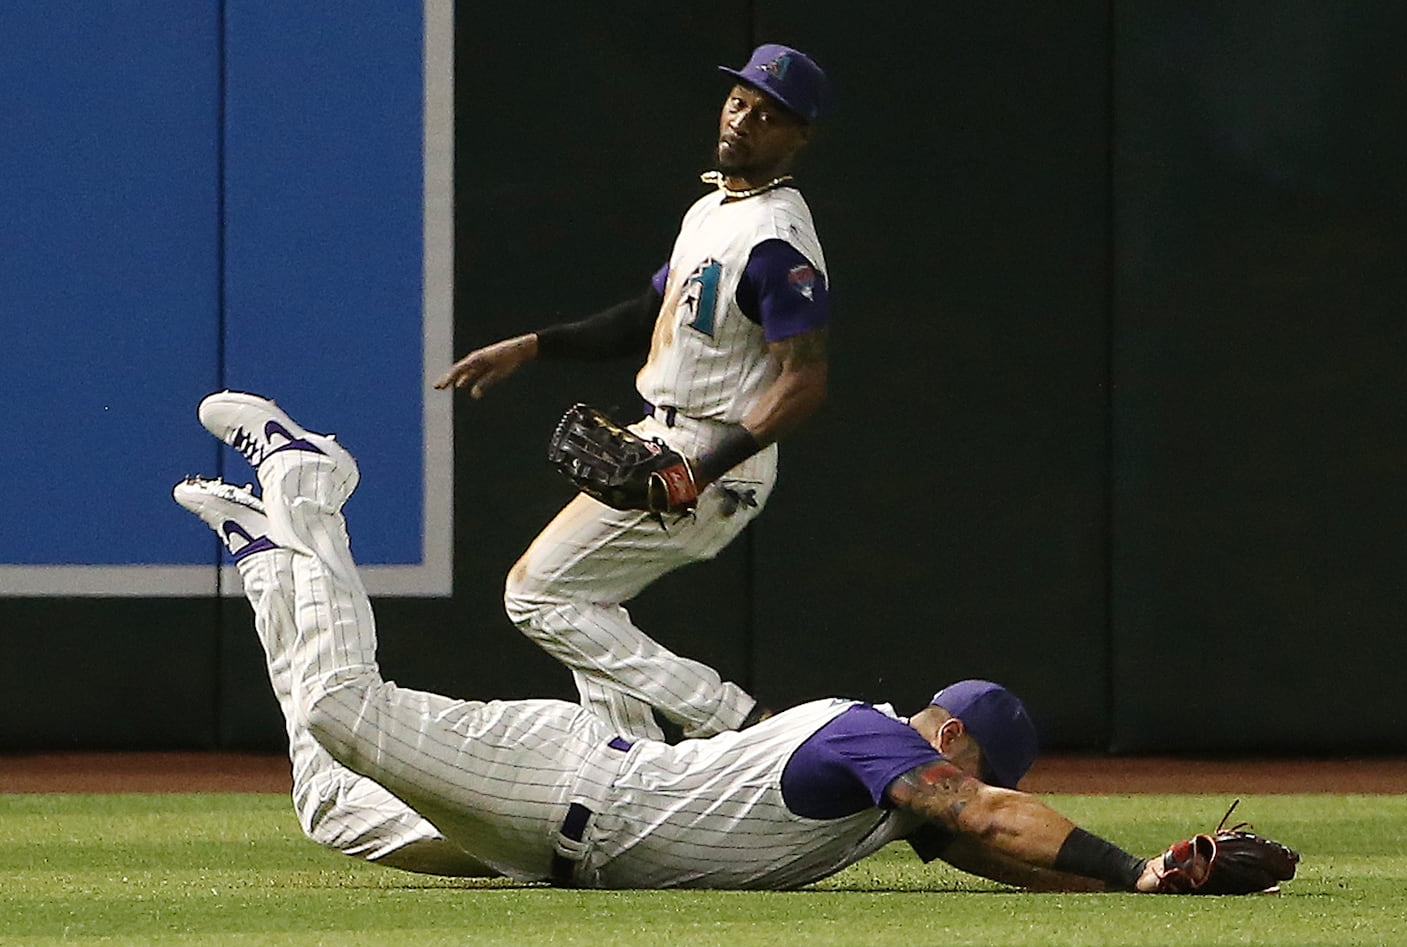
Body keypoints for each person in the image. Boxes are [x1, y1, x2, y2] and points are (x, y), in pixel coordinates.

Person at [180, 391, 1178, 892]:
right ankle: (307, 481)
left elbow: (985, 842)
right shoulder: (870, 738)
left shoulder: (888, 806)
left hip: (559, 842)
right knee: (336, 711)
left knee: (331, 809)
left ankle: (269, 558)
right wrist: (1131, 867)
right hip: (560, 786)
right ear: (950, 739)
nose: (950, 823)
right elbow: (981, 817)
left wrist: (1156, 882)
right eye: (972, 781)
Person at [435, 44, 833, 742]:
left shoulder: (777, 241)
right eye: (739, 101)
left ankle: (742, 725)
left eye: (769, 115)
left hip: (714, 458)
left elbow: (803, 380)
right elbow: (644, 316)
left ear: (798, 137)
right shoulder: (713, 210)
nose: (744, 119)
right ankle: (636, 771)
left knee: (535, 595)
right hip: (666, 438)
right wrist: (533, 345)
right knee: (583, 605)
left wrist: (699, 470)